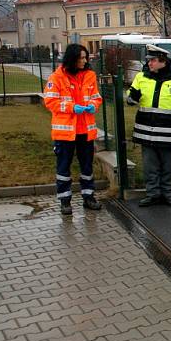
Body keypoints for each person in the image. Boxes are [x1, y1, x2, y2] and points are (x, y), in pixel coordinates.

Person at [126, 44, 171, 207]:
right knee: (150, 166)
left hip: (169, 131)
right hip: (146, 131)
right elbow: (130, 100)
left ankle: (167, 194)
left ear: (163, 61)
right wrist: (132, 97)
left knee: (166, 165)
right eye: (148, 60)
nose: (149, 64)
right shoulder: (141, 77)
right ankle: (152, 194)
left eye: (152, 60)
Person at [43, 43, 103, 215]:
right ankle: (65, 201)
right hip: (65, 132)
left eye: (86, 58)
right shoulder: (56, 78)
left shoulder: (90, 75)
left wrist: (92, 105)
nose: (85, 61)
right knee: (63, 167)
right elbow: (50, 102)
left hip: (85, 130)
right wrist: (71, 107)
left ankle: (89, 197)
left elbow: (96, 97)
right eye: (82, 58)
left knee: (87, 167)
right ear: (73, 59)